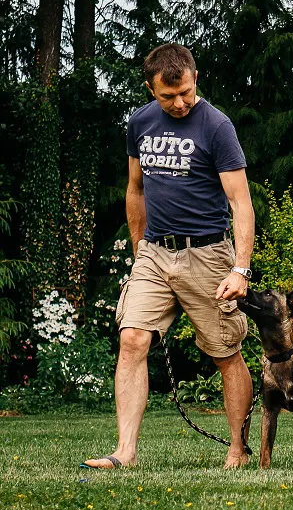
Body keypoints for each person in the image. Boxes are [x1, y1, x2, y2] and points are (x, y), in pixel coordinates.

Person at [82, 43, 256, 470]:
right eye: (168, 96)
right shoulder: (140, 122)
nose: (179, 103)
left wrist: (240, 268)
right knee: (132, 339)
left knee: (224, 351)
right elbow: (135, 188)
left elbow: (241, 202)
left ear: (195, 78)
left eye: (186, 93)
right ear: (150, 88)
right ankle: (125, 452)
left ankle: (238, 447)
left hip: (209, 254)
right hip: (155, 254)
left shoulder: (217, 126)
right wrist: (140, 248)